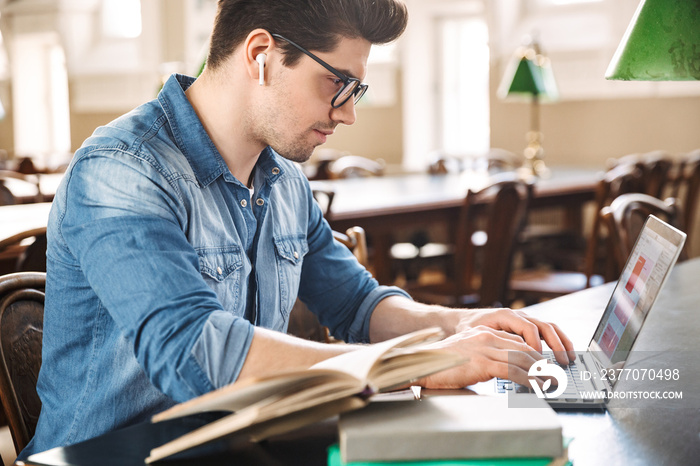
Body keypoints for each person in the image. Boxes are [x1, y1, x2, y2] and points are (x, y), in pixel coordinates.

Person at [20, 0, 574, 459]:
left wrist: (458, 324)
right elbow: (193, 351)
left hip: (238, 449)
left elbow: (357, 305)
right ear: (261, 54)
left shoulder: (282, 180)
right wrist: (424, 363)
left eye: (355, 90)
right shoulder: (122, 170)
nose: (348, 113)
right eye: (337, 83)